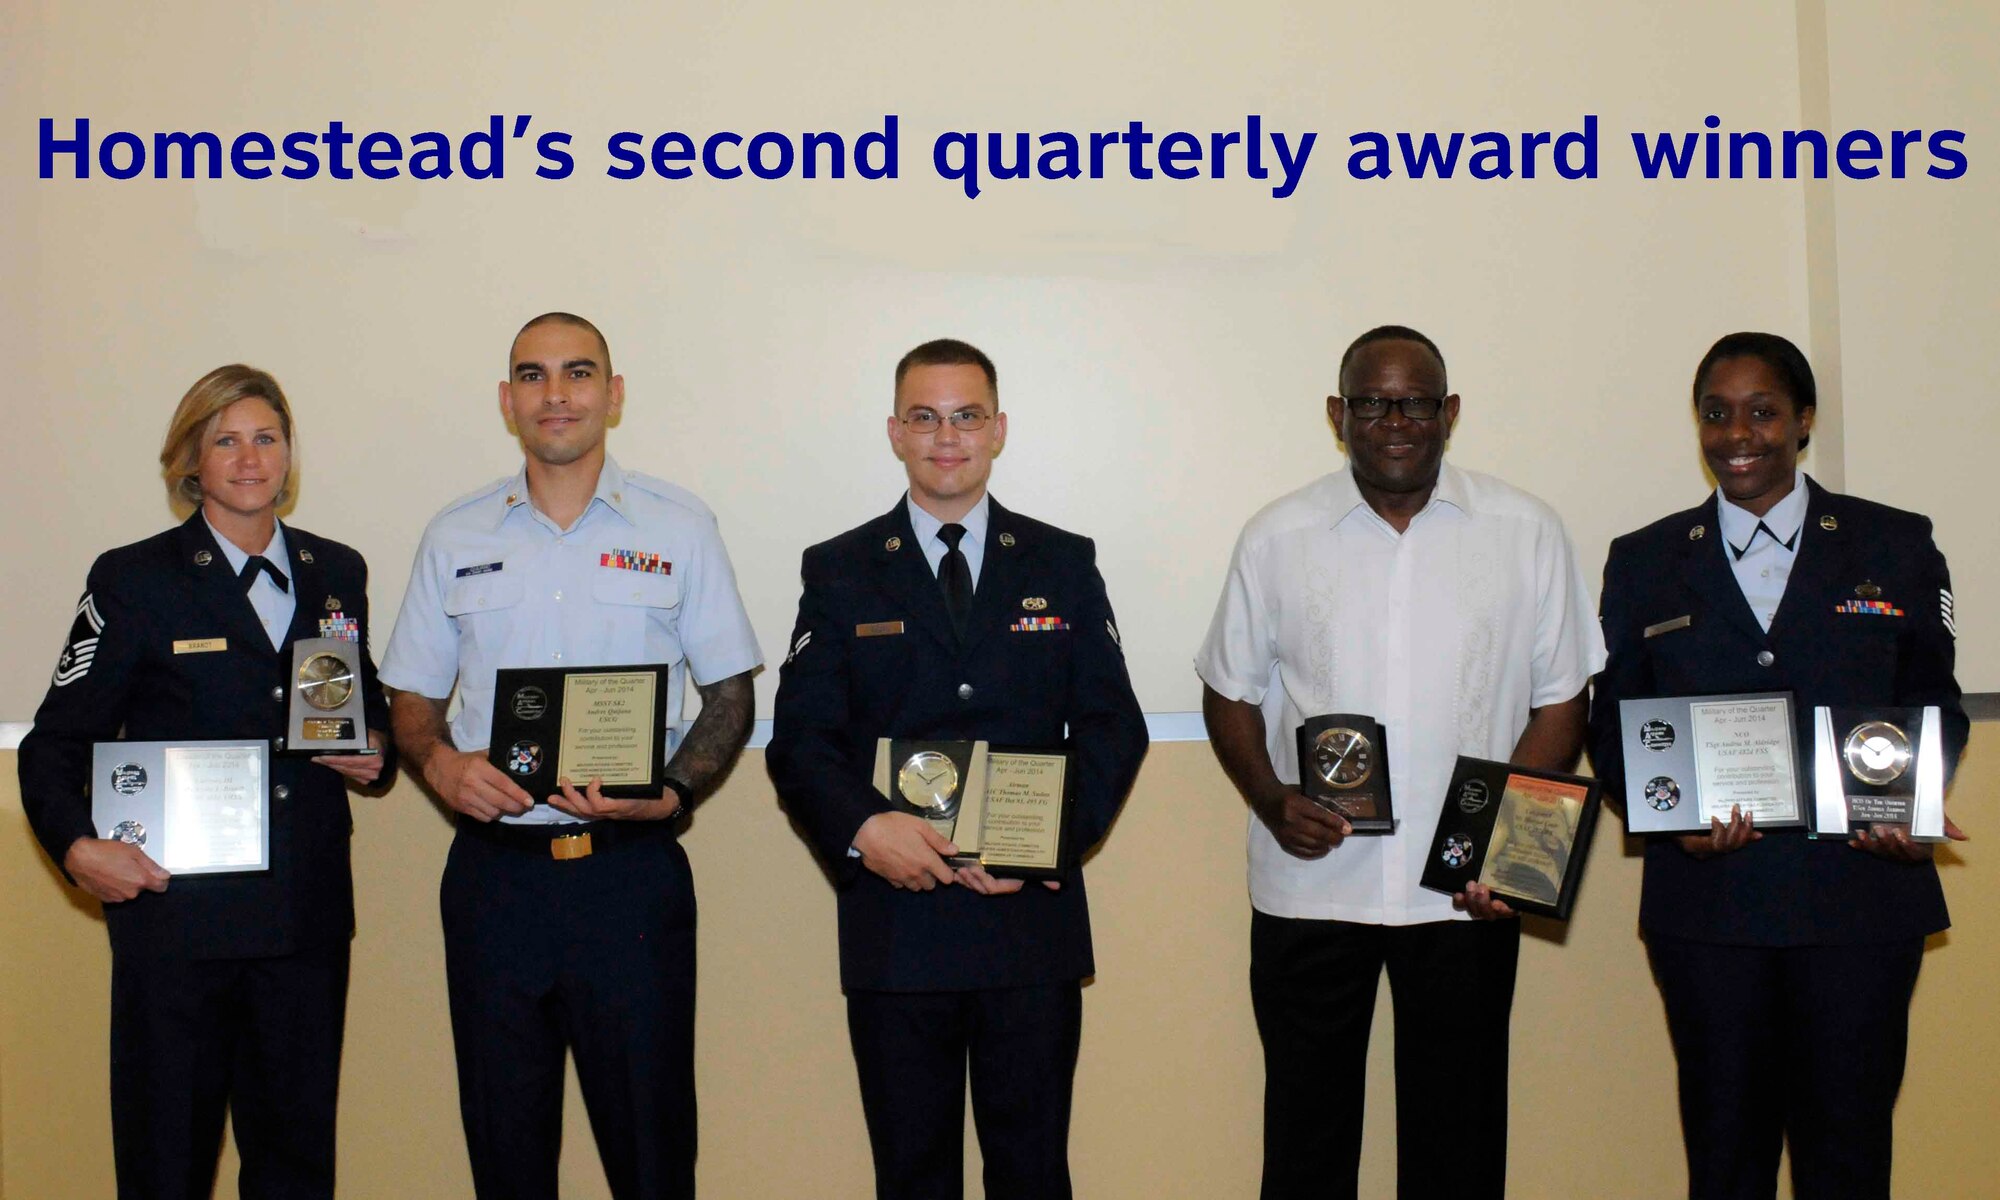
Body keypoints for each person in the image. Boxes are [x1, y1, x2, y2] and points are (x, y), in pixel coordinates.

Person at [1194, 325, 1604, 1200]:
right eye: (1373, 403)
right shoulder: (1277, 535)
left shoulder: (1524, 529)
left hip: (1463, 897)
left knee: (1458, 1151)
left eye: (1415, 402)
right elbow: (1229, 692)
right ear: (1338, 416)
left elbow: (1565, 697)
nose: (1395, 420)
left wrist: (1508, 855)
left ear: (1449, 414)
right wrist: (1270, 799)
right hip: (1312, 889)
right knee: (1306, 1144)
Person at [380, 313, 760, 1200]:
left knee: (653, 1145)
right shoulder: (454, 535)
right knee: (505, 1150)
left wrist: (670, 793)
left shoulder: (681, 524)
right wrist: (441, 769)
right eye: (533, 375)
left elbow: (732, 695)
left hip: (629, 879)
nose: (556, 394)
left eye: (578, 373)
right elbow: (411, 704)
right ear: (506, 400)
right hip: (495, 883)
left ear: (613, 395)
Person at [1588, 331, 1968, 1200]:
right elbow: (1615, 720)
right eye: (1715, 414)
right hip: (1710, 913)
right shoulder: (1645, 559)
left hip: (1860, 904)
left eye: (1762, 411)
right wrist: (1670, 817)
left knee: (1849, 1159)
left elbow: (1935, 705)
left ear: (1803, 420)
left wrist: (1908, 806)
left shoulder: (1895, 543)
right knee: (1725, 1161)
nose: (1738, 435)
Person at [766, 338, 1148, 1200]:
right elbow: (801, 742)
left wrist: (1044, 844)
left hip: (1028, 929)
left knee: (1033, 1172)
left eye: (967, 417)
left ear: (999, 428)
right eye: (926, 418)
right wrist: (866, 832)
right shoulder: (840, 570)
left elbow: (1112, 726)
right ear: (895, 432)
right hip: (897, 926)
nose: (948, 437)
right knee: (911, 1175)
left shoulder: (1062, 560)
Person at [17, 364, 392, 1200]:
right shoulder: (136, 578)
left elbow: (362, 699)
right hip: (177, 927)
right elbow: (53, 742)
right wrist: (79, 848)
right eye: (225, 440)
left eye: (266, 438)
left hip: (304, 923)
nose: (250, 458)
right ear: (191, 458)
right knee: (166, 1163)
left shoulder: (337, 570)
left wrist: (378, 747)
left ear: (290, 454)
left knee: (295, 1167)